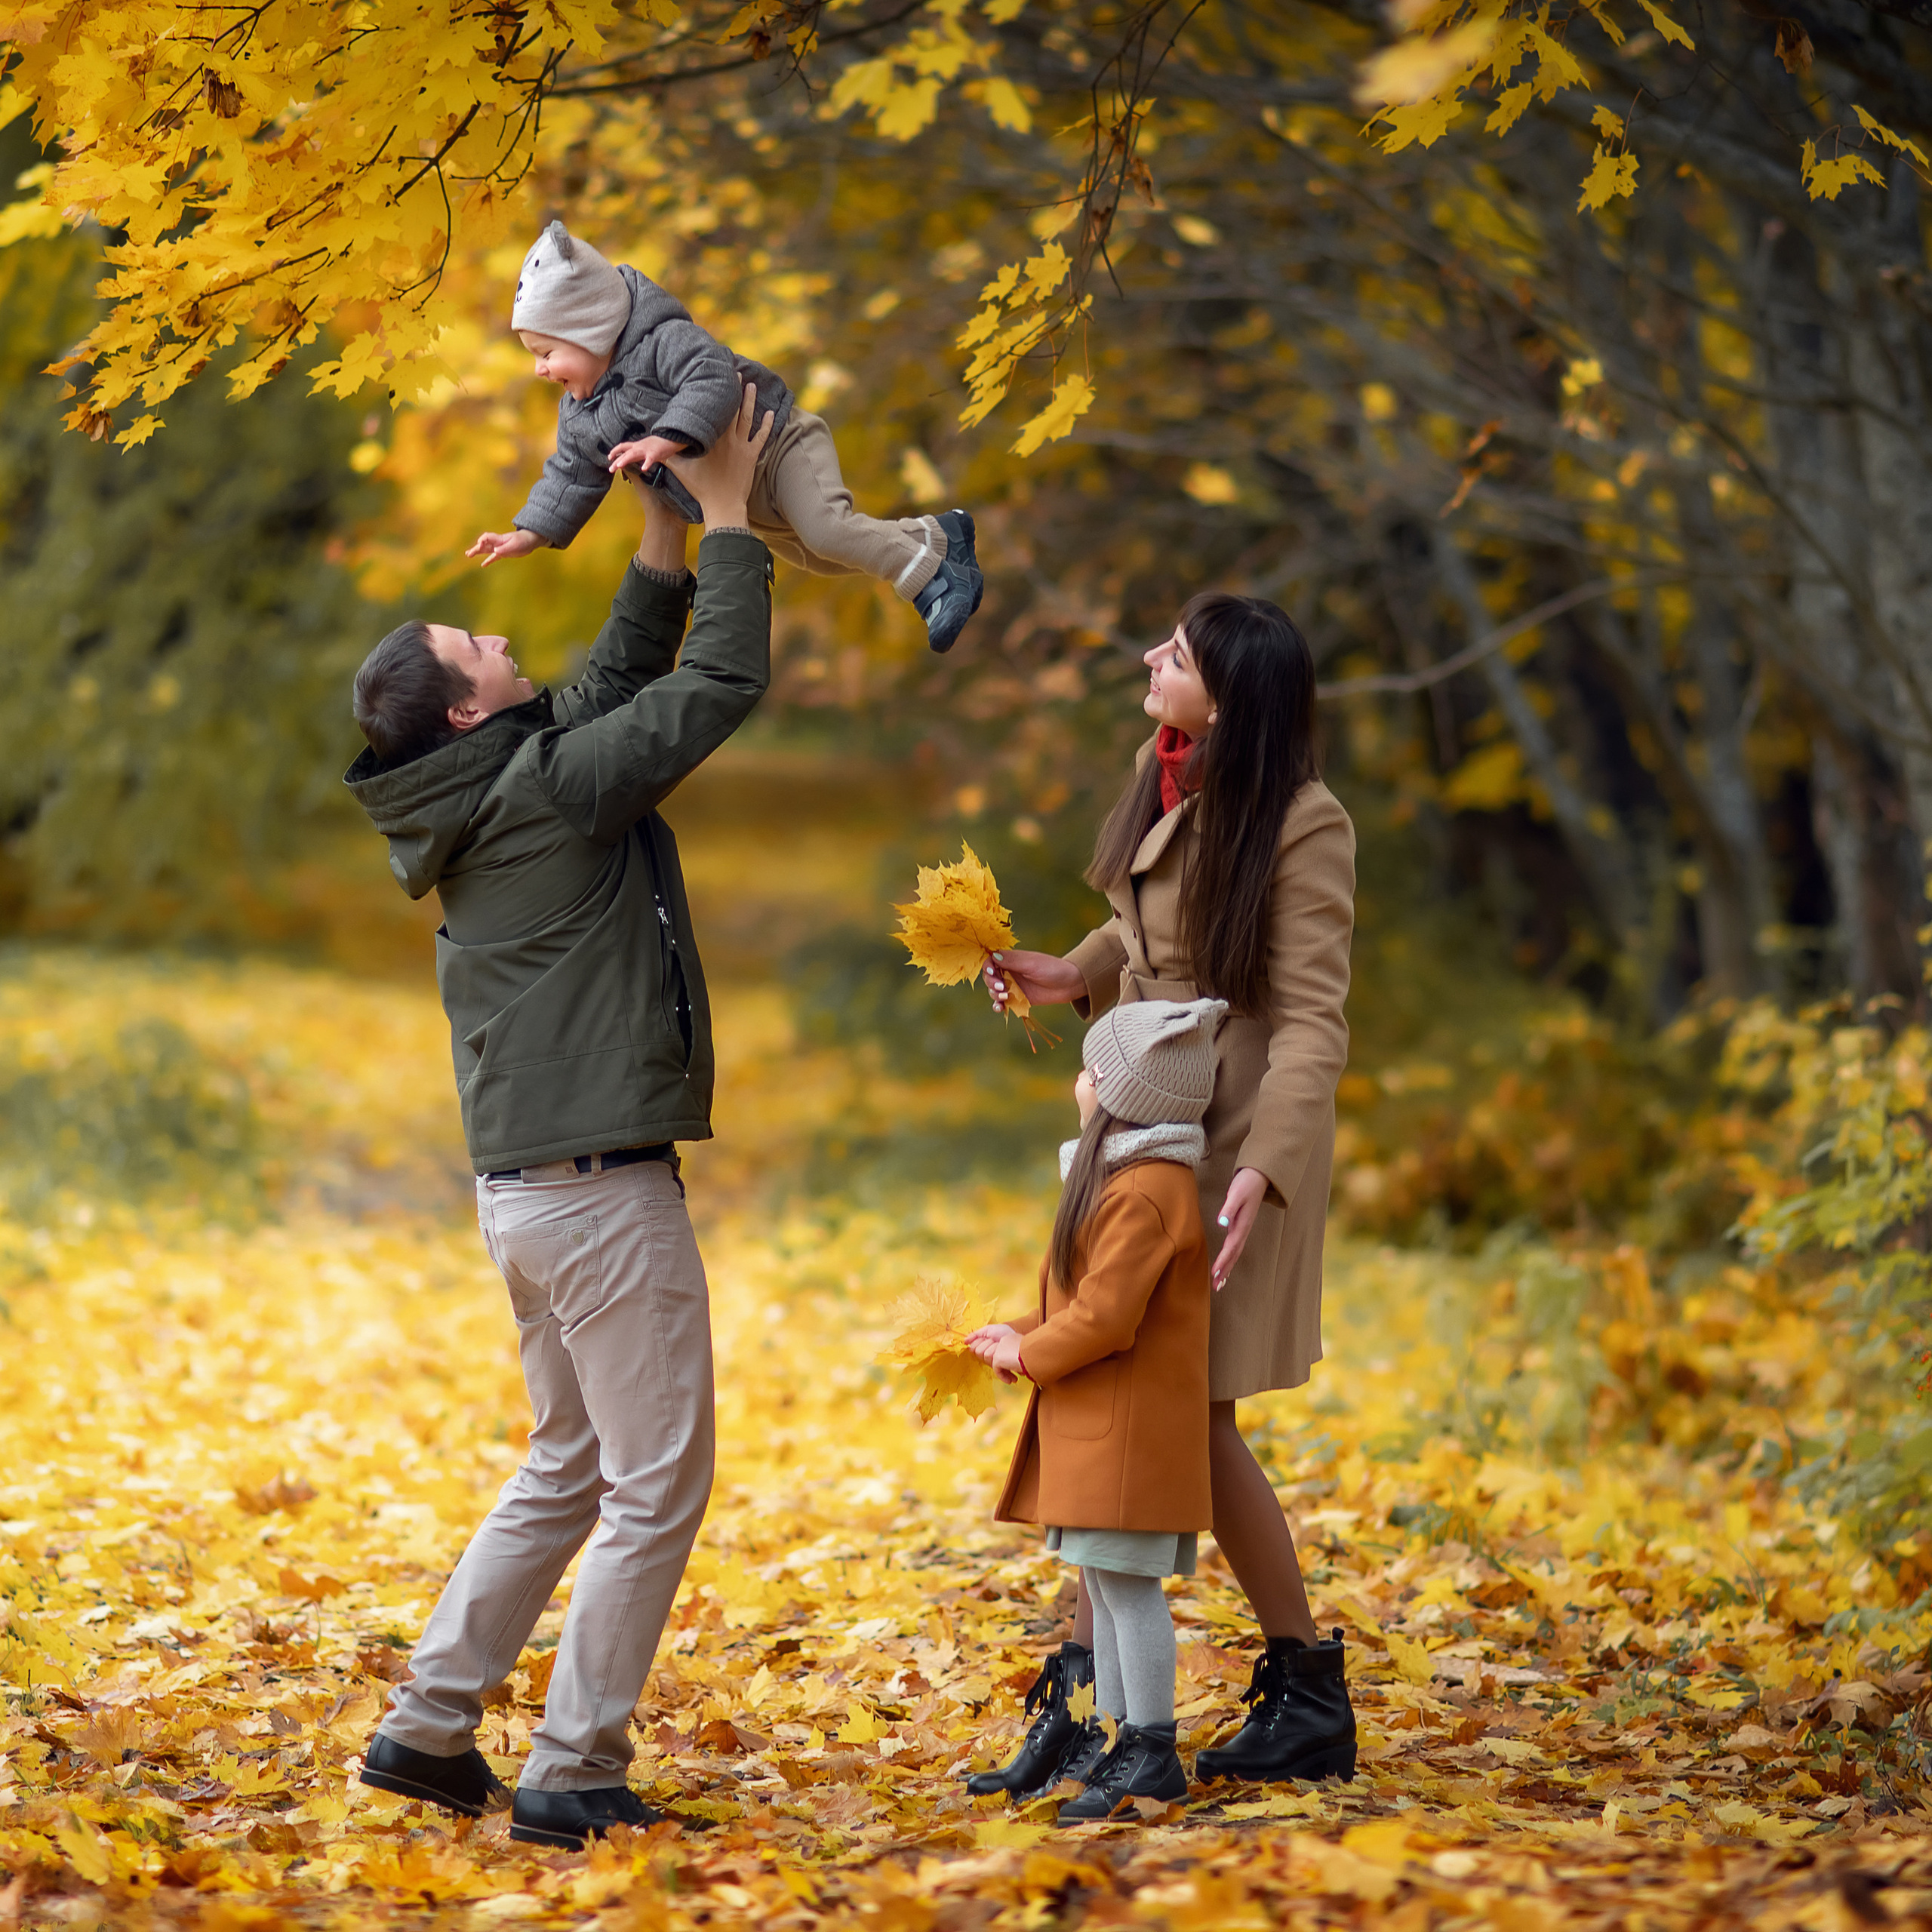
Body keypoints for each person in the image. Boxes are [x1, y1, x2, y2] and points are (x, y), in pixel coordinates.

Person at [341, 388, 774, 1849]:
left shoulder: (490, 784)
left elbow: (602, 682)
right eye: (479, 644)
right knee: (655, 1484)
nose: (500, 633)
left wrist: (656, 517)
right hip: (595, 1198)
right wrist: (728, 523)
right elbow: (705, 691)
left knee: (569, 1464)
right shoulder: (542, 793)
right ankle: (577, 1765)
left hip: (534, 1196)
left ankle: (426, 1723)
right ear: (468, 705)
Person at [983, 591, 1358, 1785]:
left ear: (1232, 693)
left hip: (1236, 1139)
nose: (1153, 660)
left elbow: (1309, 1019)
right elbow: (1142, 928)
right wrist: (1069, 970)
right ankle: (1095, 1703)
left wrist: (1264, 1168)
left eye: (1179, 655)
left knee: (1183, 1409)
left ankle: (1294, 1689)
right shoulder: (1172, 768)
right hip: (1145, 1123)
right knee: (1128, 1392)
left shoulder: (1304, 822)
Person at [466, 220, 984, 654]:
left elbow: (711, 376)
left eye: (546, 352)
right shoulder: (581, 414)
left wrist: (665, 439)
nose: (539, 369)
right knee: (821, 558)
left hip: (778, 445)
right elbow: (570, 474)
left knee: (828, 531)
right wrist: (530, 532)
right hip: (744, 496)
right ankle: (939, 535)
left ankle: (936, 581)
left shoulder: (661, 341)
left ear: (592, 330)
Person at [964, 998, 1226, 1822]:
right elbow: (1085, 1300)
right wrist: (1023, 1328)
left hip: (1130, 1431)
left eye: (1085, 1066)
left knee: (1129, 1587)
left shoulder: (1145, 1190)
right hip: (1105, 1425)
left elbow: (1108, 1318)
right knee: (1110, 1588)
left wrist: (1029, 1355)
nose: (1075, 1078)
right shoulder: (1127, 1174)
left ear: (1111, 1087)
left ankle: (1149, 1745)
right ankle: (1120, 1739)